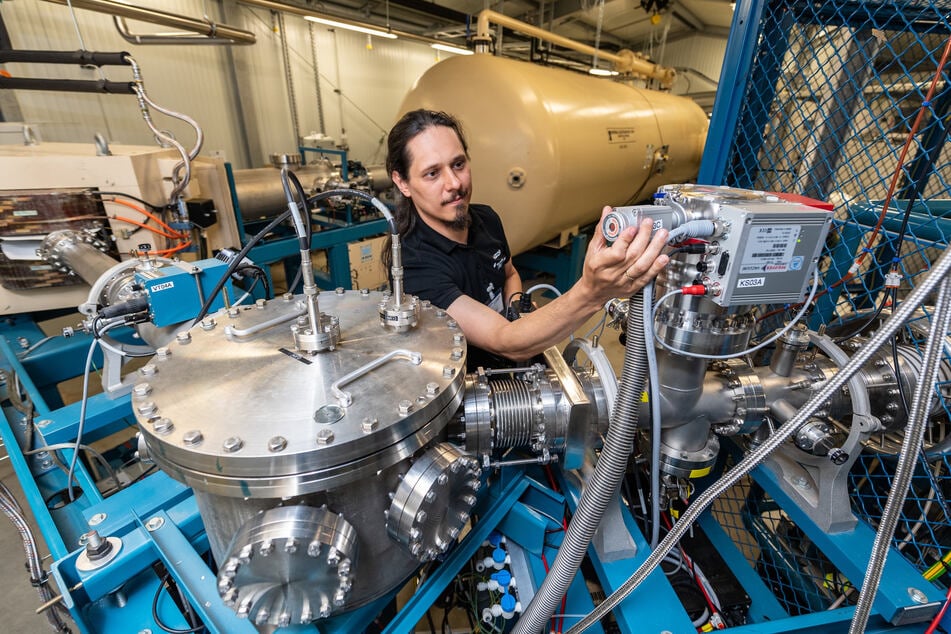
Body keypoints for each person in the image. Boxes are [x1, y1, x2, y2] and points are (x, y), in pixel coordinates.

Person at [386, 109, 669, 367]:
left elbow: (508, 273)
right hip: (468, 384)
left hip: (515, 353)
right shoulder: (413, 265)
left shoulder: (485, 218)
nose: (455, 184)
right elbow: (504, 341)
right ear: (402, 182)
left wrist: (516, 306)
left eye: (458, 164)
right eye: (432, 173)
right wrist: (592, 292)